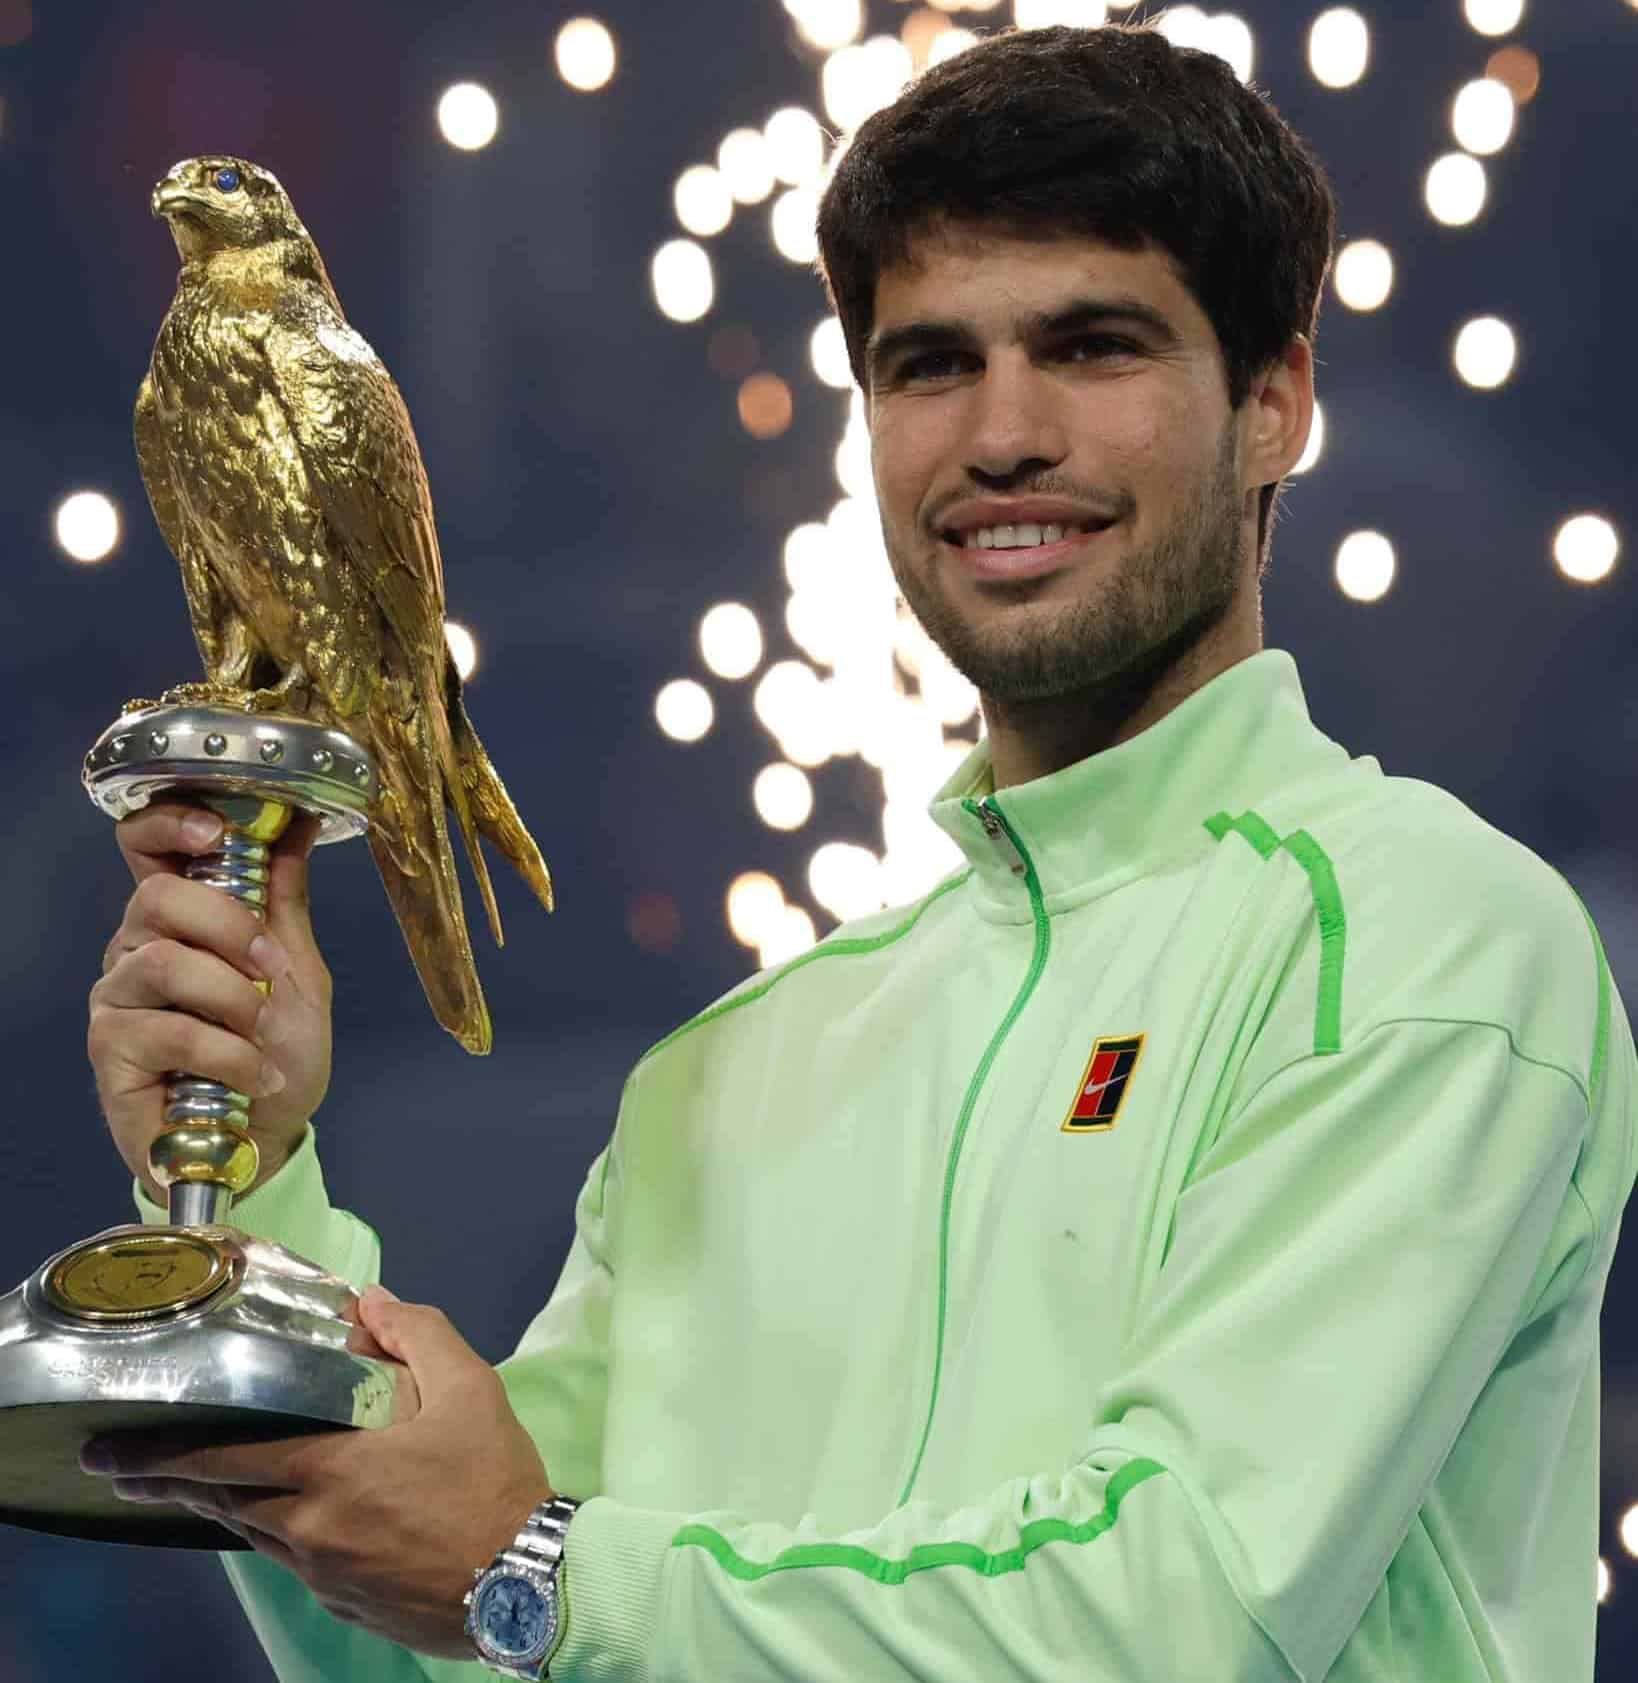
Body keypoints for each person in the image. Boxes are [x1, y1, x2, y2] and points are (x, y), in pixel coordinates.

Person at [81, 22, 1633, 1683]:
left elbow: (1177, 1627)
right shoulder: (729, 1077)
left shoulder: (1415, 940)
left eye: (1092, 347)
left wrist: (531, 1569)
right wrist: (251, 1190)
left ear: (1272, 406)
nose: (1002, 434)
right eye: (930, 365)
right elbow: (463, 1634)